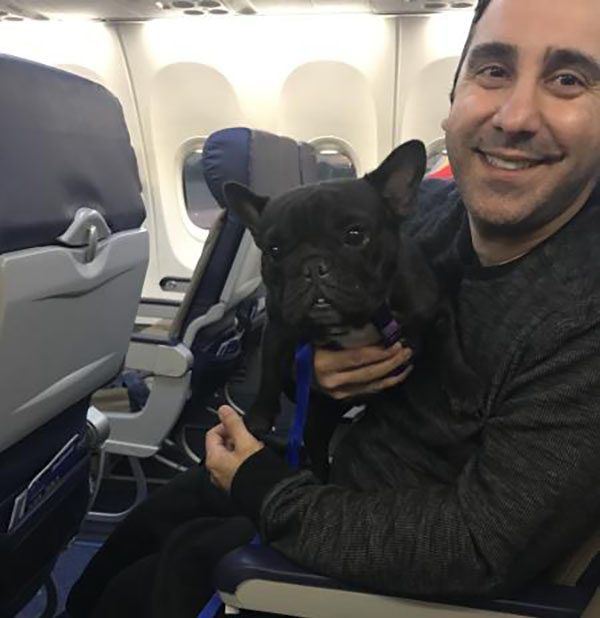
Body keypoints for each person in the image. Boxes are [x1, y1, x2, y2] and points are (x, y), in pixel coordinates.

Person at [66, 0, 600, 615]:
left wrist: (263, 487)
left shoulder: (581, 317)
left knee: (154, 578)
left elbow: (479, 546)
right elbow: (298, 313)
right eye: (493, 70)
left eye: (567, 79)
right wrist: (313, 372)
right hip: (330, 463)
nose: (516, 115)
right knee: (142, 529)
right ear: (454, 98)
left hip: (375, 540)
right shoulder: (427, 212)